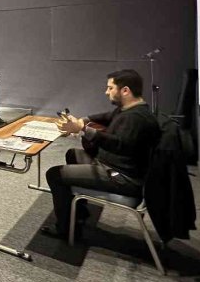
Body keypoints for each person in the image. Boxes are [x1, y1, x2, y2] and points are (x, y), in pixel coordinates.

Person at [43, 69, 161, 240]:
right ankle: (78, 213)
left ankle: (65, 230)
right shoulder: (129, 109)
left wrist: (82, 129)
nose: (106, 92)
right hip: (113, 166)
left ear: (125, 90)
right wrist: (82, 120)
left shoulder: (137, 118)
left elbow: (119, 145)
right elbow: (106, 117)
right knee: (72, 154)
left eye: (110, 88)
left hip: (122, 177)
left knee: (54, 174)